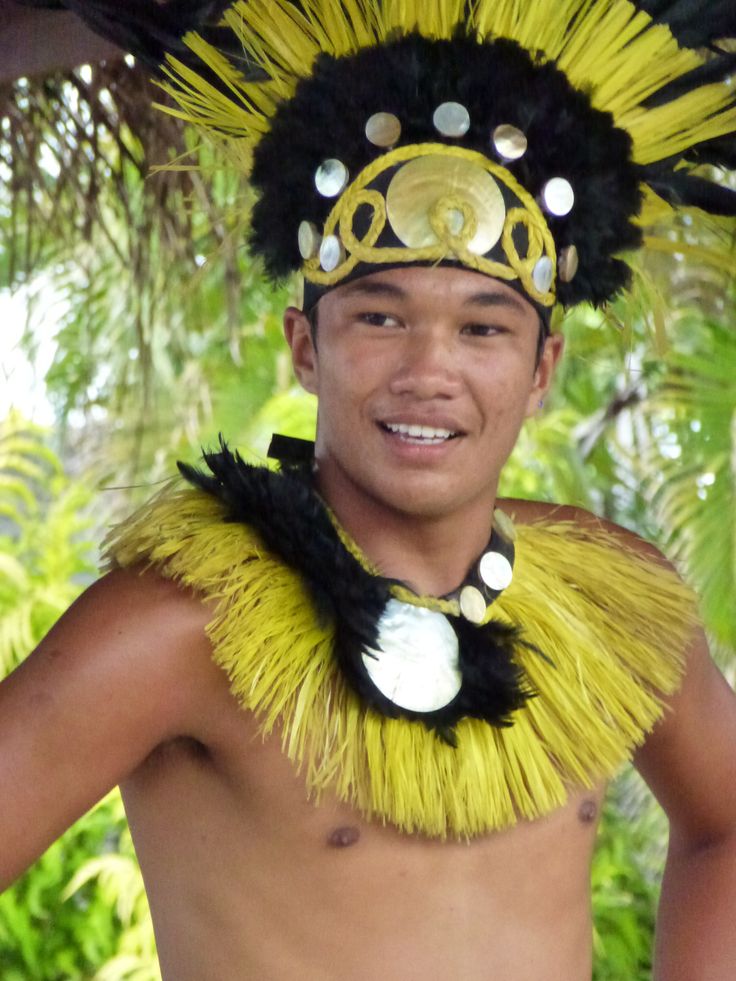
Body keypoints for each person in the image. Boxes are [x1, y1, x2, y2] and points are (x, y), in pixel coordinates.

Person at [2, 1, 736, 979]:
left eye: (482, 328)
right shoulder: (180, 627)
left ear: (542, 369)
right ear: (306, 347)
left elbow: (725, 824)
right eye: (380, 319)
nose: (429, 372)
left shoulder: (614, 602)